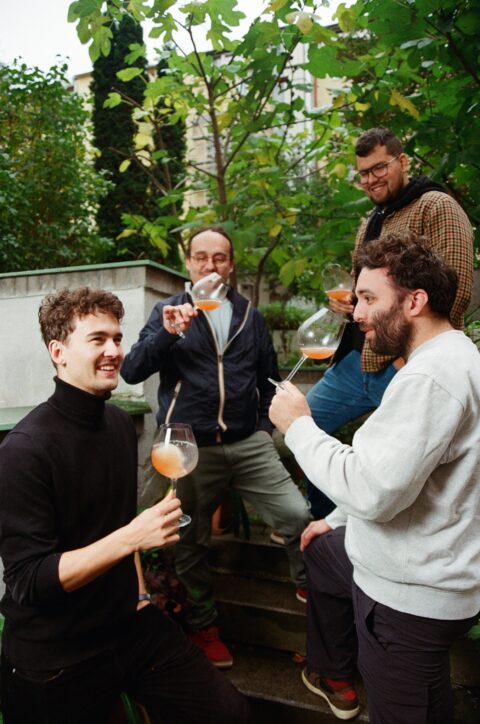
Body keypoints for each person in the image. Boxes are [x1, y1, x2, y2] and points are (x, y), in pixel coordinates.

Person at [0, 287, 250, 724]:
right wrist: (133, 535)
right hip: (56, 651)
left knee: (230, 714)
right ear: (58, 352)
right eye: (97, 339)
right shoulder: (24, 450)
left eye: (117, 338)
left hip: (127, 625)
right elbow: (30, 581)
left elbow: (115, 519)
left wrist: (140, 594)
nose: (114, 351)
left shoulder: (117, 424)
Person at [269, 232, 480, 723]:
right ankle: (329, 668)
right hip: (418, 571)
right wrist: (336, 519)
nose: (356, 313)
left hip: (408, 600)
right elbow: (403, 473)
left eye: (368, 298)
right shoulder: (455, 358)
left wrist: (298, 425)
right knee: (320, 549)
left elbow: (372, 488)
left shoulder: (430, 378)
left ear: (414, 301)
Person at [121, 226, 311, 669]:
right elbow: (131, 370)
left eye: (220, 257)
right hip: (190, 448)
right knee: (190, 541)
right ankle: (204, 627)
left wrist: (263, 428)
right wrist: (167, 334)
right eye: (202, 257)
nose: (210, 265)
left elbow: (268, 377)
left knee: (297, 515)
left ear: (230, 265)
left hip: (247, 443)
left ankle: (312, 589)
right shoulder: (168, 311)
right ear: (189, 263)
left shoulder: (249, 315)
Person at [306, 126, 474, 520]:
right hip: (358, 360)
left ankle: (391, 533)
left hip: (406, 365)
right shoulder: (370, 221)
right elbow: (370, 291)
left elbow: (456, 288)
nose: (370, 179)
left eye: (379, 168)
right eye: (363, 173)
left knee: (405, 466)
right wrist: (352, 302)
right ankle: (333, 524)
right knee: (304, 426)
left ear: (402, 161)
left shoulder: (437, 206)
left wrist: (408, 360)